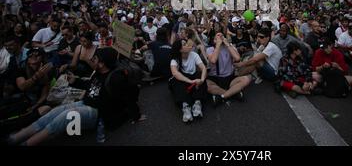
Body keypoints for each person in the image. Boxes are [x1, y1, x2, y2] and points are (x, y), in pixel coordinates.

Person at [5, 47, 145, 146]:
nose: (92, 59)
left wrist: (136, 115)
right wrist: (75, 81)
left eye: (95, 58)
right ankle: (16, 137)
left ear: (102, 63)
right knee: (54, 112)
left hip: (98, 114)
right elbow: (91, 87)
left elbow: (130, 97)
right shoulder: (98, 72)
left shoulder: (116, 79)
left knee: (65, 118)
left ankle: (26, 143)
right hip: (86, 103)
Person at [206, 33, 252, 106]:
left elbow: (237, 58)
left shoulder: (230, 47)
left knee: (247, 79)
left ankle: (222, 96)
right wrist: (218, 45)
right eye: (217, 37)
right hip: (216, 78)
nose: (220, 39)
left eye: (222, 37)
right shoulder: (210, 49)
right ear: (214, 40)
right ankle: (233, 92)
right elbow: (213, 60)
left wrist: (227, 44)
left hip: (230, 77)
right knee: (207, 85)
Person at [169, 39, 208, 123]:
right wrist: (191, 81)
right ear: (180, 49)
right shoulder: (175, 59)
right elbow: (175, 73)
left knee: (201, 75)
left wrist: (201, 80)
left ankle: (197, 104)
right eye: (184, 44)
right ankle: (185, 106)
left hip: (193, 78)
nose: (187, 44)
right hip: (185, 80)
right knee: (176, 80)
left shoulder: (194, 54)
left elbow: (203, 68)